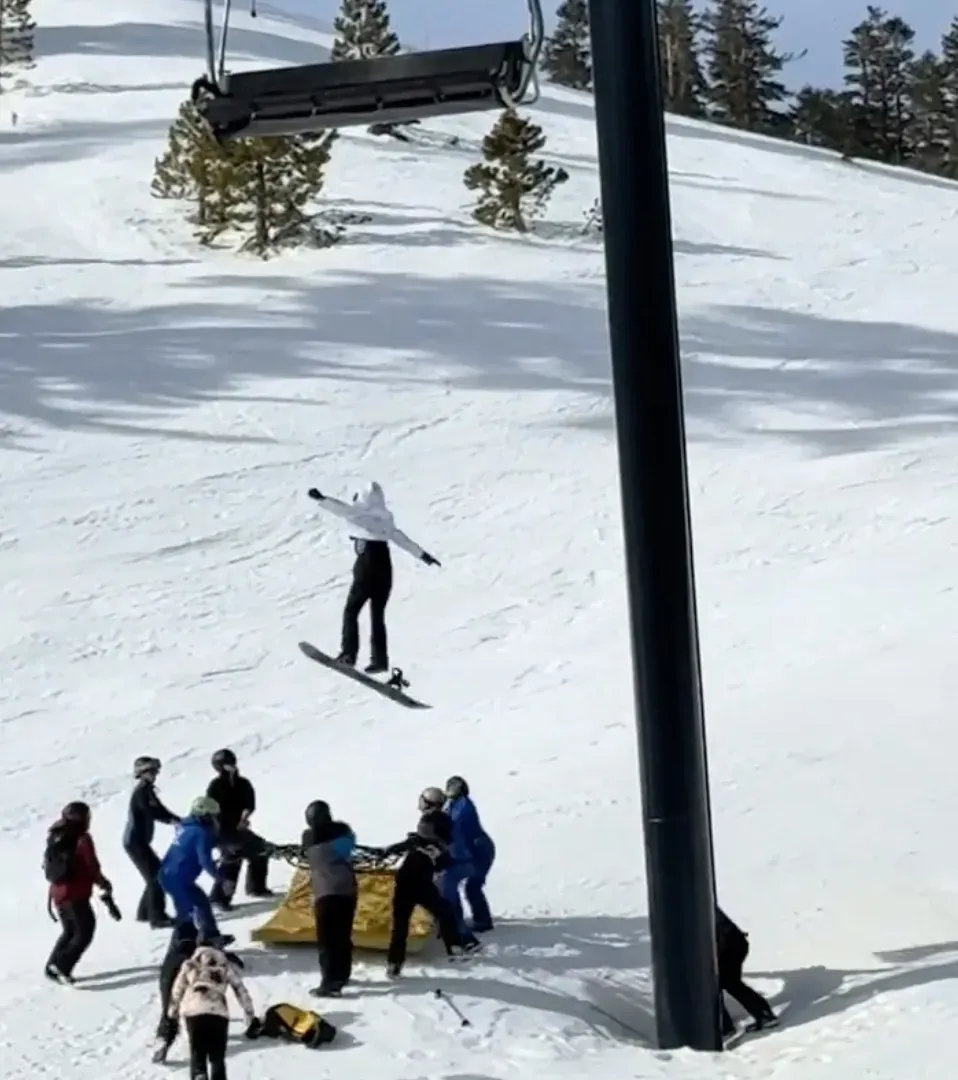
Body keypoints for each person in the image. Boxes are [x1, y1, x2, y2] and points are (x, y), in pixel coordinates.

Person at [307, 481, 441, 673]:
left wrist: (322, 499)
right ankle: (380, 661)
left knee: (352, 610)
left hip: (367, 564)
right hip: (385, 566)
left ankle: (348, 655)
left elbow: (341, 509)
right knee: (377, 615)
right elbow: (402, 539)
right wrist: (423, 556)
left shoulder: (357, 514)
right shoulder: (386, 521)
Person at [383, 804, 469, 977]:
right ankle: (454, 947)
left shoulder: (426, 845)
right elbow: (443, 863)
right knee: (407, 923)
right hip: (413, 886)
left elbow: (443, 863)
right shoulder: (423, 844)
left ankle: (395, 963)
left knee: (403, 925)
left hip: (414, 885)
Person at [152, 922, 247, 1064]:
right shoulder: (201, 938)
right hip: (190, 966)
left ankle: (163, 1039)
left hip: (169, 966)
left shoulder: (179, 935)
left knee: (169, 1006)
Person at [44, 801, 116, 984]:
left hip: (58, 892)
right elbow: (91, 866)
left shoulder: (56, 834)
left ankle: (52, 966)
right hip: (75, 894)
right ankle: (62, 967)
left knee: (70, 931)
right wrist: (103, 883)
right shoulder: (81, 838)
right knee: (84, 931)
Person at [167, 943, 259, 1080]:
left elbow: (177, 989)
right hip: (218, 1014)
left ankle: (199, 1074)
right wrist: (249, 1011)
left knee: (197, 1053)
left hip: (194, 1013)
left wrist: (172, 1011)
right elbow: (240, 989)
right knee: (217, 1058)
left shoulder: (189, 965)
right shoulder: (225, 966)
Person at [158, 796, 232, 947]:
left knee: (200, 903)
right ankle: (184, 945)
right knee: (187, 912)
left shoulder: (186, 826)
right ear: (204, 816)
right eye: (212, 817)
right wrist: (221, 879)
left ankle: (209, 936)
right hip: (178, 878)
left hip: (169, 874)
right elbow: (204, 860)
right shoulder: (200, 832)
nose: (215, 820)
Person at [303, 800, 358, 997]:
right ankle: (342, 975)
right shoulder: (343, 832)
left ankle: (330, 983)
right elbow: (351, 842)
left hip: (326, 892)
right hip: (348, 889)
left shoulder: (309, 837)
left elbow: (306, 853)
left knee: (327, 940)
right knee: (342, 936)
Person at [206, 748, 271, 909]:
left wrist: (244, 818)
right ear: (219, 766)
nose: (232, 765)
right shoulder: (215, 786)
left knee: (261, 850)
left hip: (239, 829)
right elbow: (211, 810)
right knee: (233, 858)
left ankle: (256, 887)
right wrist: (223, 829)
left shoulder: (243, 783)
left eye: (232, 761)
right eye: (227, 763)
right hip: (222, 831)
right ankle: (219, 898)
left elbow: (249, 803)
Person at [124, 755, 180, 928]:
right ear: (141, 773)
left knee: (155, 875)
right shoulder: (142, 792)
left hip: (138, 842)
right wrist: (173, 820)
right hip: (136, 842)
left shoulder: (146, 790)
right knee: (157, 877)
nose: (155, 774)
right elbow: (152, 811)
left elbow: (159, 809)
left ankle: (145, 913)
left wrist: (177, 820)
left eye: (155, 771)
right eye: (151, 771)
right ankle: (157, 917)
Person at [442, 775, 495, 934]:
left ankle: (473, 922)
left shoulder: (463, 808)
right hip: (479, 849)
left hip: (478, 852)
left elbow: (457, 834)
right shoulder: (455, 805)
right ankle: (479, 919)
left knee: (463, 884)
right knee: (470, 886)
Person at [716, 907, 777, 1035]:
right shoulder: (695, 904)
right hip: (733, 943)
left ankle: (725, 1026)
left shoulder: (694, 908)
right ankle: (763, 1015)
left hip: (730, 945)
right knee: (726, 983)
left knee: (725, 982)